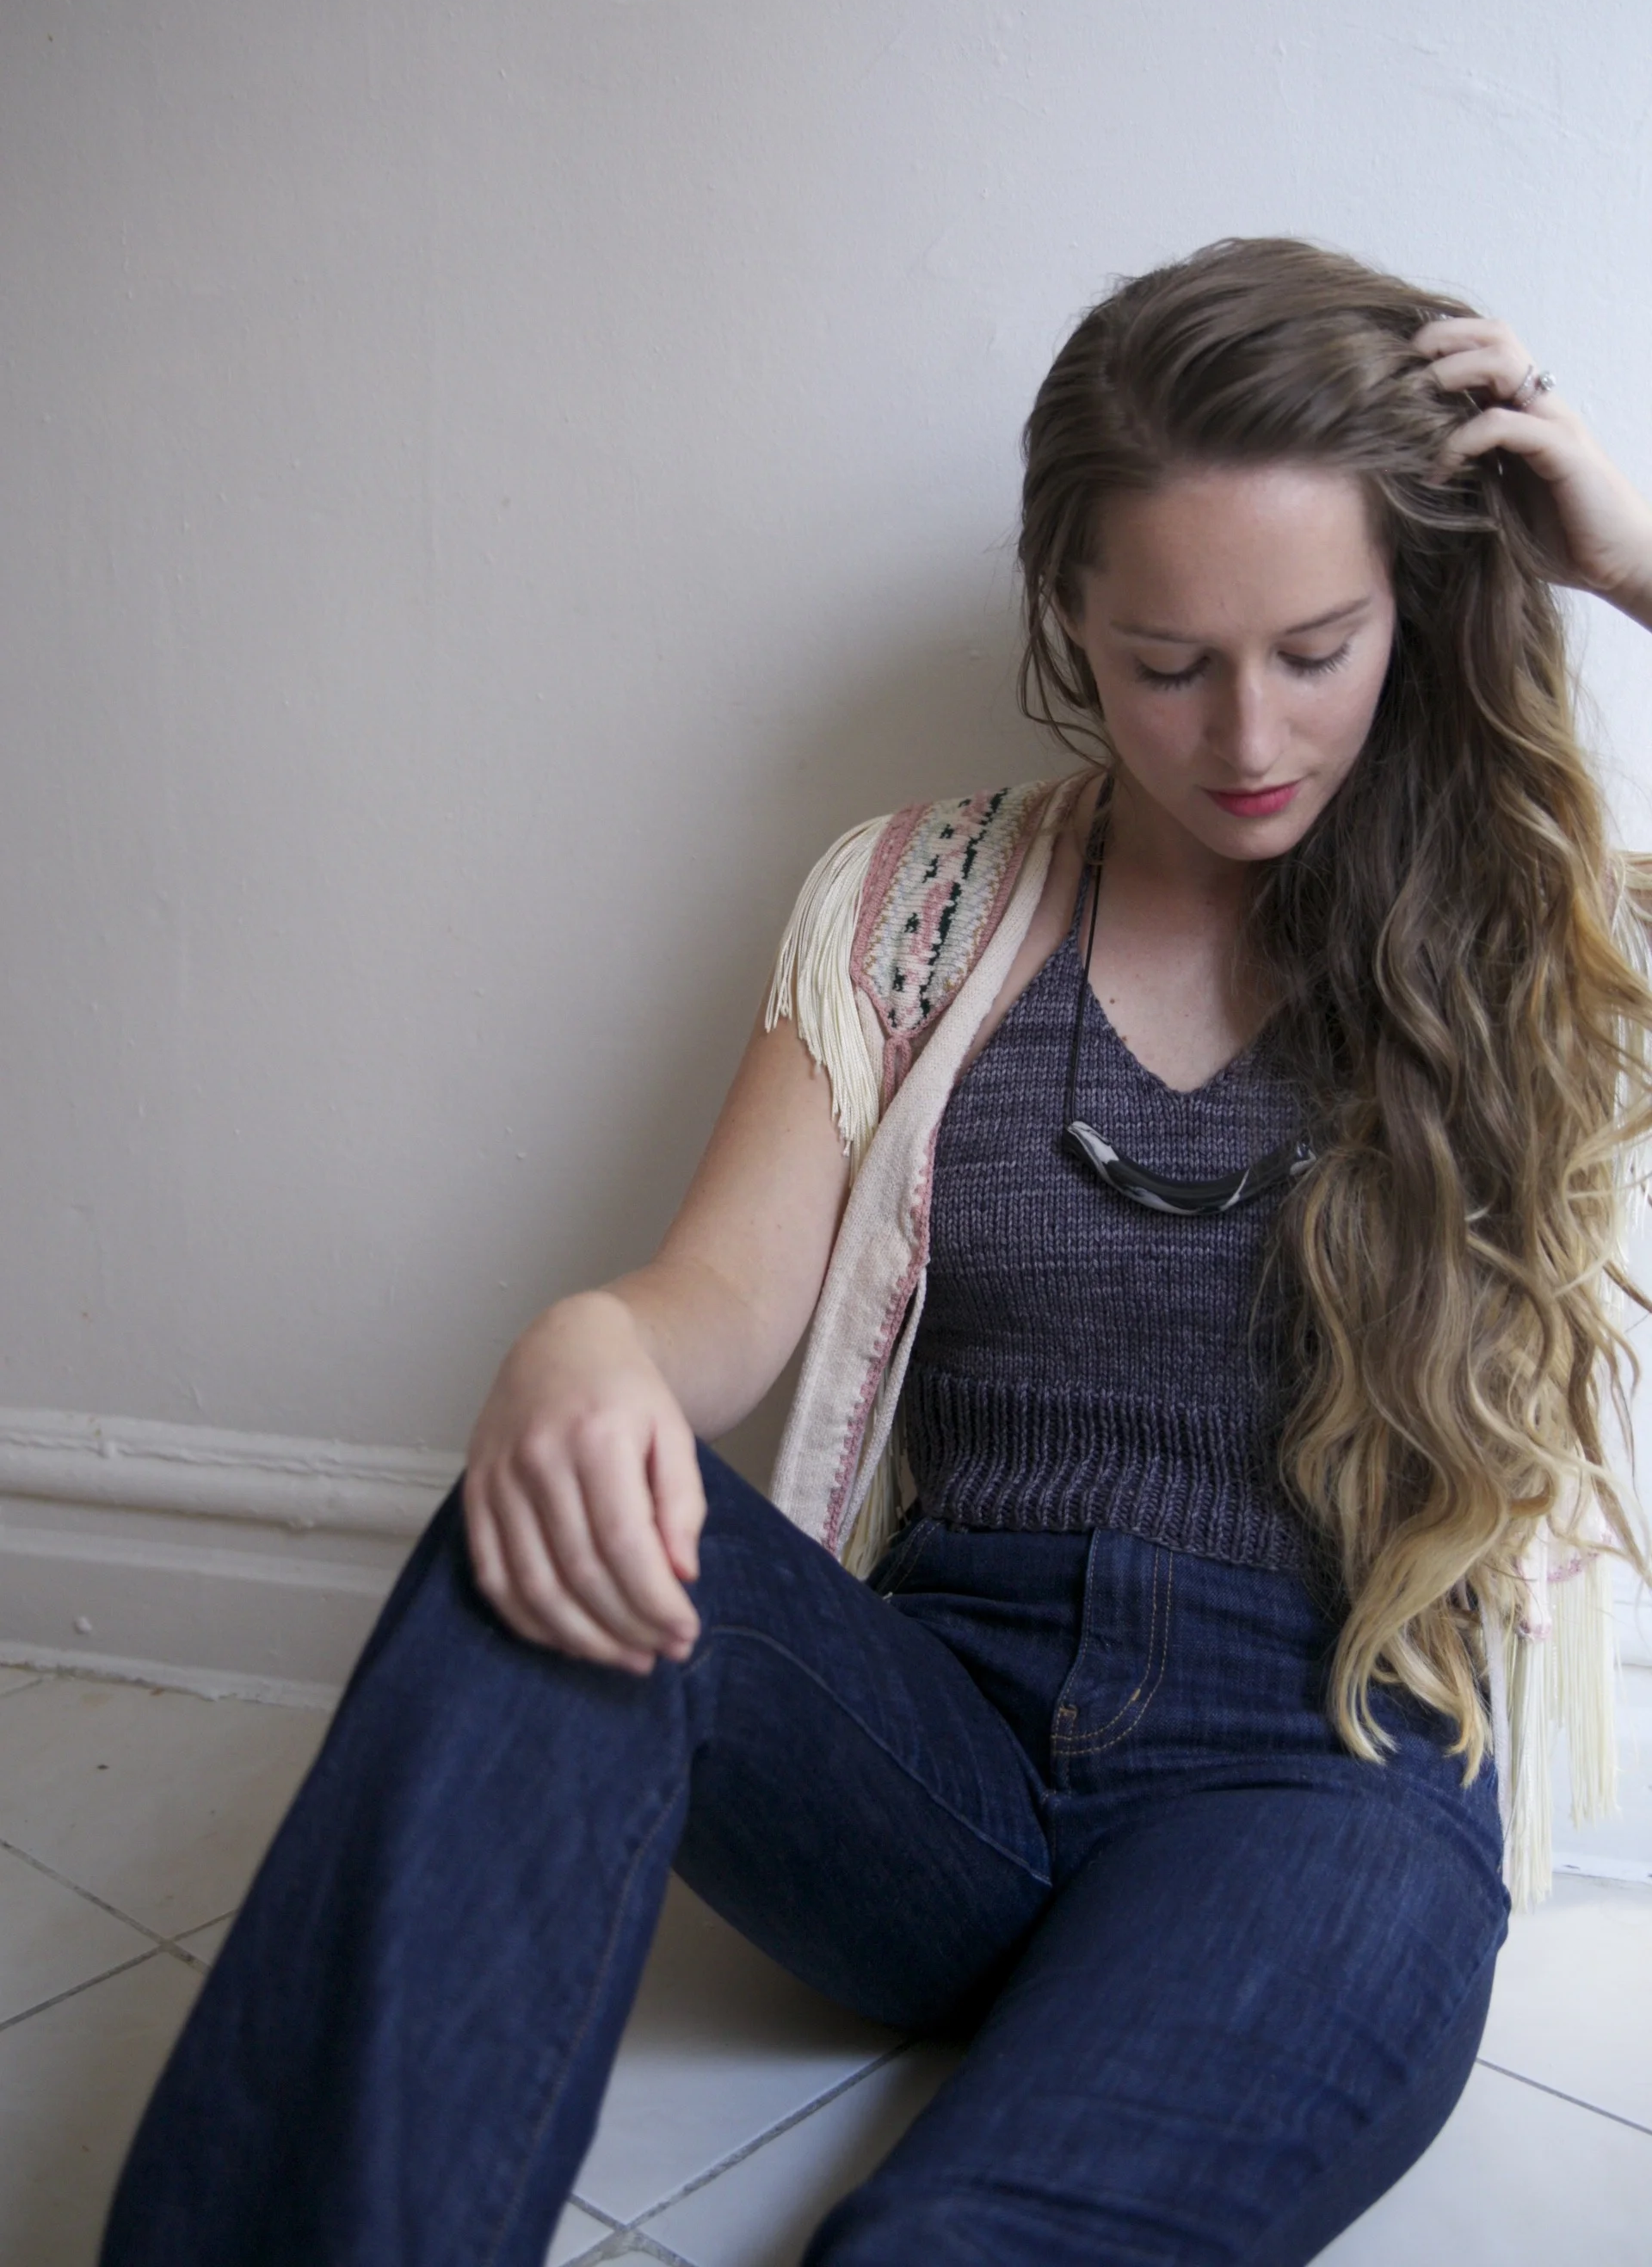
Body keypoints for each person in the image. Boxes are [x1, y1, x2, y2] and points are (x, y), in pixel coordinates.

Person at [102, 238, 1652, 2266]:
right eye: (1167, 662)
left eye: (1316, 648)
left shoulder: (1538, 933)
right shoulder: (912, 899)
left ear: (1416, 605)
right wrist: (595, 1347)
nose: (1247, 731)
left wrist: (1629, 561)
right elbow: (724, 1302)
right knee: (540, 1521)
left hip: (1322, 1779)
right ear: (1068, 614)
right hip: (935, 1751)